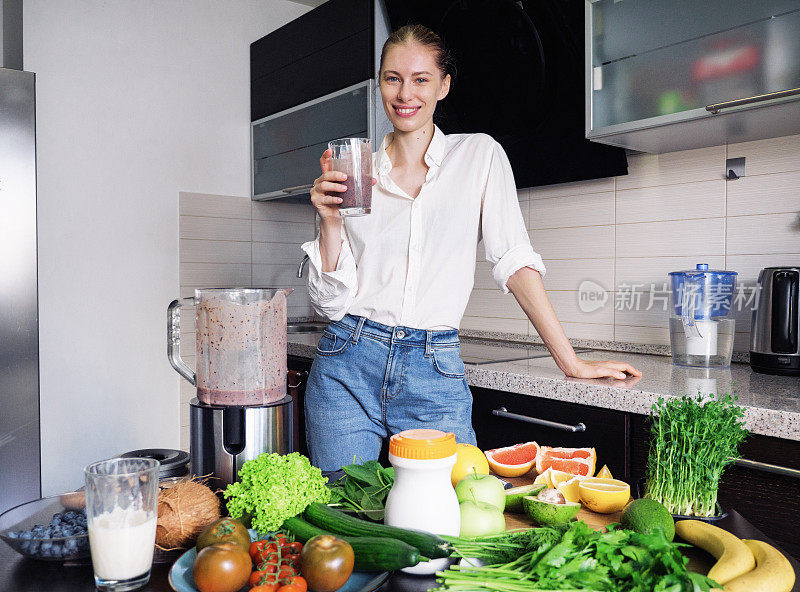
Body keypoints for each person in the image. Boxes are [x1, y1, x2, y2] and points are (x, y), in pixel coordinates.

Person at [301, 24, 641, 472]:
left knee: (448, 522)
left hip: (433, 367)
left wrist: (571, 361)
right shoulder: (357, 171)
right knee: (343, 520)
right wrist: (327, 221)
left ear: (444, 85)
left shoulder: (479, 155)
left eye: (421, 79)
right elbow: (330, 303)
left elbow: (514, 261)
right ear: (380, 82)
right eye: (393, 78)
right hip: (347, 360)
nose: (405, 93)